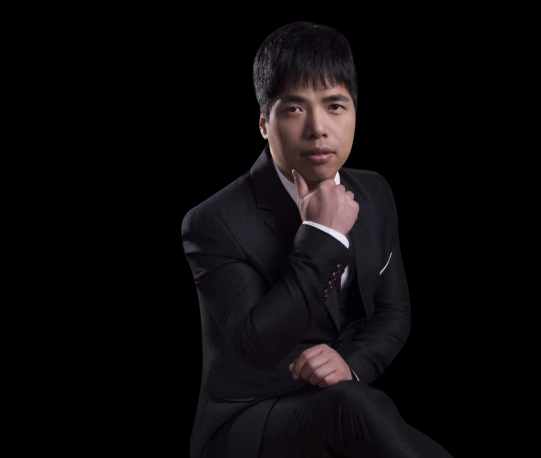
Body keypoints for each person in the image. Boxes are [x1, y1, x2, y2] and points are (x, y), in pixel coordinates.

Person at [181, 21, 453, 458]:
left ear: (355, 113)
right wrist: (322, 235)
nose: (318, 128)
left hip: (343, 399)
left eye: (335, 106)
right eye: (294, 109)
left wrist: (352, 364)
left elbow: (394, 312)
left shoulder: (374, 192)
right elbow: (257, 346)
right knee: (353, 408)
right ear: (264, 123)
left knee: (356, 403)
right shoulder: (213, 221)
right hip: (248, 417)